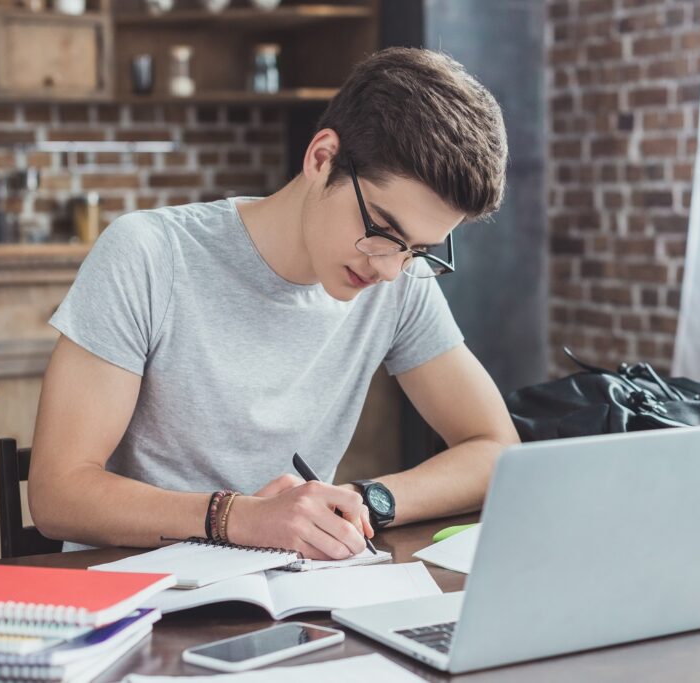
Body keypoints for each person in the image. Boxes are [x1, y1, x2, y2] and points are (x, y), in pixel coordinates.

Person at [28, 48, 520, 560]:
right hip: (133, 598)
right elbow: (57, 493)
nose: (390, 269)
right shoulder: (151, 254)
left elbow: (494, 446)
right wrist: (241, 518)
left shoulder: (400, 278)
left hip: (291, 598)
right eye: (382, 230)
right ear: (321, 158)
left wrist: (363, 501)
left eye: (418, 249)